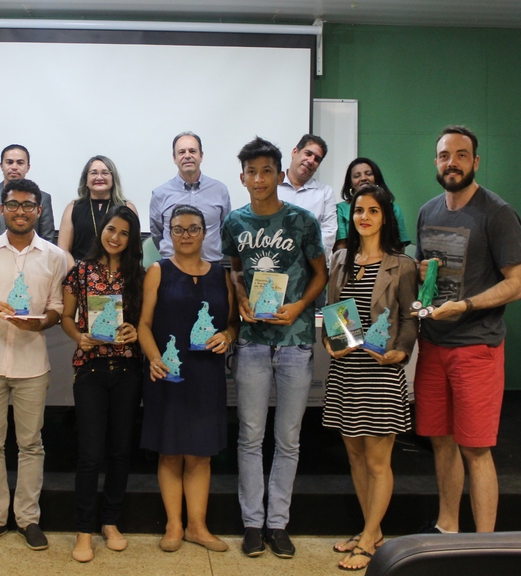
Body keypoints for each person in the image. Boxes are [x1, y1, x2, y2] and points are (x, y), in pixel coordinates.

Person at [414, 125, 521, 534]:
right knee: (441, 442)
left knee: (476, 449)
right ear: (436, 161)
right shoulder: (428, 211)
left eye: (462, 155)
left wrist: (466, 305)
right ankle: (448, 528)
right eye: (445, 155)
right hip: (433, 345)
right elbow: (425, 274)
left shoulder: (497, 212)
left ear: (475, 162)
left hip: (476, 348)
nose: (453, 162)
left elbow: (520, 282)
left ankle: (485, 544)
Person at [221, 137, 327, 559]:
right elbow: (234, 270)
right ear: (242, 177)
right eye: (252, 172)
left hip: (295, 342)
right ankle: (251, 523)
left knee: (288, 438)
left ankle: (278, 523)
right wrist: (242, 298)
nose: (259, 179)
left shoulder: (302, 221)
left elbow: (319, 274)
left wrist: (299, 306)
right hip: (250, 344)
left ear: (281, 175)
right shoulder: (234, 222)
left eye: (267, 171)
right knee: (249, 436)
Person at [0, 178, 69, 552]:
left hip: (31, 364)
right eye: (13, 204)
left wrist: (39, 322)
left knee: (31, 445)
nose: (20, 211)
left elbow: (57, 310)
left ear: (39, 211)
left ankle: (28, 519)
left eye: (28, 205)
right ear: (2, 208)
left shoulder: (55, 257)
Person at [322, 185, 418, 570]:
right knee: (355, 456)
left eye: (373, 211)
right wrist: (330, 342)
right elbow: (332, 310)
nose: (364, 217)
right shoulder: (342, 258)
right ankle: (371, 531)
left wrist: (403, 350)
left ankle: (370, 539)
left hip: (380, 371)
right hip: (346, 370)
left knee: (378, 461)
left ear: (384, 217)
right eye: (359, 210)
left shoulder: (402, 264)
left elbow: (410, 317)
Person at [139, 205, 239, 554]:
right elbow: (144, 325)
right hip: (168, 372)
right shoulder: (158, 271)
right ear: (168, 233)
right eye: (178, 229)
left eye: (193, 228)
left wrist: (227, 335)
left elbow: (233, 323)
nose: (185, 235)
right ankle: (173, 525)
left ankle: (198, 526)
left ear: (204, 232)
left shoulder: (220, 275)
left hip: (206, 375)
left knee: (200, 454)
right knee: (170, 452)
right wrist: (153, 358)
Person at [61, 205, 145, 562]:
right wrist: (79, 337)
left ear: (132, 239)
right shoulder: (79, 271)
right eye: (112, 229)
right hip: (91, 370)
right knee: (90, 454)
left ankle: (110, 522)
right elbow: (66, 316)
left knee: (120, 451)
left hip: (127, 370)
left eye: (124, 233)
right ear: (102, 230)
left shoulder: (138, 274)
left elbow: (144, 321)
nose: (116, 237)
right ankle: (84, 530)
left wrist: (134, 330)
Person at [150, 132, 231, 262]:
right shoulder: (160, 194)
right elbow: (157, 233)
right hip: (172, 268)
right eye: (182, 152)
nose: (187, 156)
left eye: (192, 151)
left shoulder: (220, 190)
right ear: (174, 158)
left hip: (211, 267)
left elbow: (224, 229)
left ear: (201, 156)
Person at [0, 144, 55, 248]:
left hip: (31, 259)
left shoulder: (43, 198)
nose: (14, 167)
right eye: (9, 162)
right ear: (1, 166)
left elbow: (47, 240)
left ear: (28, 167)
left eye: (20, 163)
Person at [57, 155, 138, 261]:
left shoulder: (127, 208)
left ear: (113, 178)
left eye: (105, 173)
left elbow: (134, 248)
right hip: (79, 270)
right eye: (94, 173)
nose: (99, 177)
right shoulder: (72, 208)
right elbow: (63, 250)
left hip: (117, 270)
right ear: (86, 180)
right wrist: (74, 272)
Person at [277, 134, 337, 258]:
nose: (311, 161)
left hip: (310, 268)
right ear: (295, 152)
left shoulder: (325, 192)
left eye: (317, 159)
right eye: (308, 154)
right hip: (273, 264)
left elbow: (328, 234)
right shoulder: (272, 186)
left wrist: (304, 260)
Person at [334, 158, 410, 252]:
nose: (363, 178)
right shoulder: (341, 209)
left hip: (388, 262)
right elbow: (340, 247)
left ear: (377, 178)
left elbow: (399, 245)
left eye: (369, 174)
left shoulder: (393, 208)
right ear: (350, 183)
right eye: (357, 176)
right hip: (352, 261)